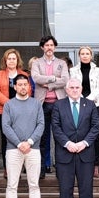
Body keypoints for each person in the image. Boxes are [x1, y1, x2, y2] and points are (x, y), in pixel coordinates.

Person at [53, 77, 99, 198]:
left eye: (77, 88)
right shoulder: (58, 105)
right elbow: (56, 127)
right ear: (66, 90)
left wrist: (83, 143)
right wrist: (68, 144)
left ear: (81, 89)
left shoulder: (91, 105)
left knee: (86, 187)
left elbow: (95, 127)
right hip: (65, 153)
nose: (74, 90)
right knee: (65, 188)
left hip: (85, 153)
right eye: (71, 88)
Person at [1, 72, 45, 198]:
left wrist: (30, 142)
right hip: (14, 149)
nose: (23, 87)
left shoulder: (36, 104)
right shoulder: (9, 105)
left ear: (29, 86)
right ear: (14, 87)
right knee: (12, 185)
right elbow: (6, 126)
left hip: (33, 149)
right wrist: (19, 143)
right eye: (19, 85)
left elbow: (41, 124)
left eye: (25, 84)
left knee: (34, 185)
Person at [30, 35, 68, 175]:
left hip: (59, 103)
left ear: (55, 47)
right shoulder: (36, 63)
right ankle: (42, 168)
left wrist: (48, 84)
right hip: (42, 104)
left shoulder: (61, 63)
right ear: (42, 47)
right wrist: (53, 78)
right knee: (42, 137)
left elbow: (65, 80)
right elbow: (36, 78)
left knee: (59, 137)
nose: (49, 48)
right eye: (46, 45)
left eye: (51, 45)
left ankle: (59, 168)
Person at [72, 46, 99, 176]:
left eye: (87, 54)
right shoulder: (73, 70)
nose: (85, 56)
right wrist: (81, 99)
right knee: (80, 133)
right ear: (79, 56)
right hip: (78, 104)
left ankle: (95, 164)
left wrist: (89, 99)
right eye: (82, 54)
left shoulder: (97, 70)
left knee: (95, 136)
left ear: (91, 56)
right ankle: (81, 164)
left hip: (94, 104)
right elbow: (72, 86)